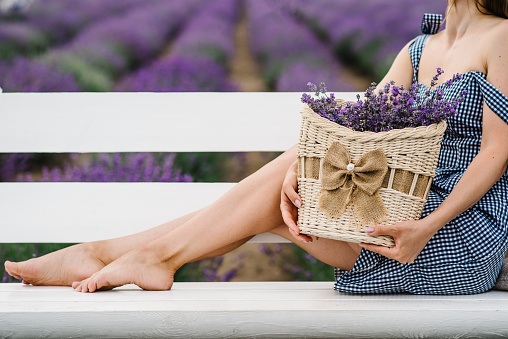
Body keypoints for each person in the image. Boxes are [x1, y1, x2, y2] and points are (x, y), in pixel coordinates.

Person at [4, 0, 508, 294]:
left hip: (446, 240)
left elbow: (497, 151)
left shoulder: (501, 38)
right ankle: (134, 256)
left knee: (275, 183)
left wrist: (424, 227)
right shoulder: (418, 49)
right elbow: (353, 129)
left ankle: (120, 254)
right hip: (379, 223)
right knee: (282, 184)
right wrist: (304, 167)